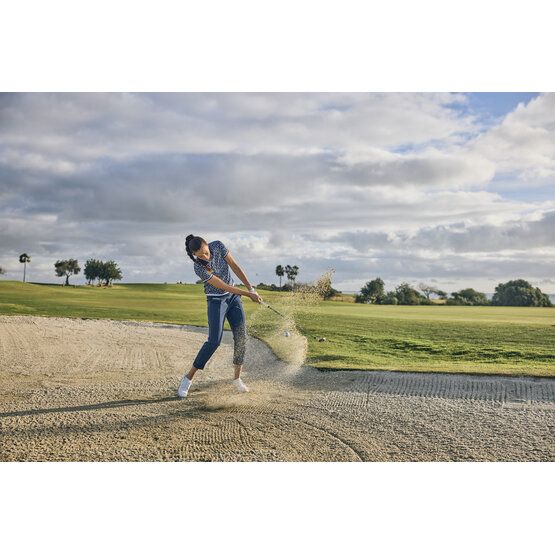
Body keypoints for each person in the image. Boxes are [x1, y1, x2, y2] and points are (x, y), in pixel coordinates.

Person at [177, 235, 263, 398]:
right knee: (214, 341)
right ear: (194, 255)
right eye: (200, 255)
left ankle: (237, 379)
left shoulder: (218, 246)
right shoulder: (198, 267)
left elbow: (235, 267)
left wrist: (251, 289)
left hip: (233, 299)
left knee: (241, 337)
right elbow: (223, 286)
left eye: (205, 252)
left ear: (206, 245)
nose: (205, 257)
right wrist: (247, 294)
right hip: (216, 301)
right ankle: (187, 379)